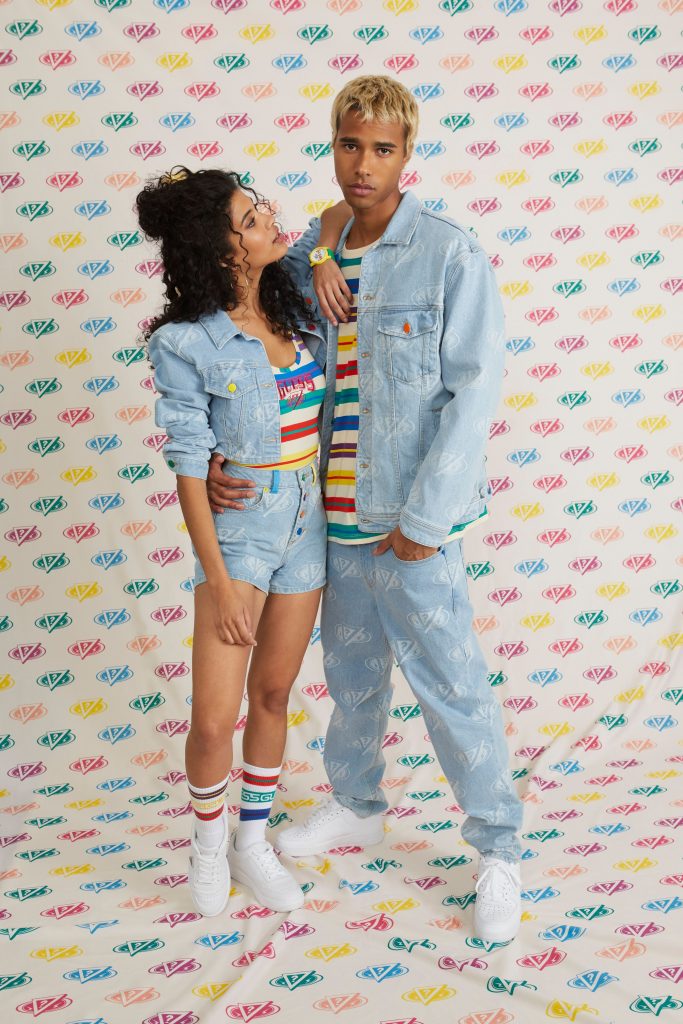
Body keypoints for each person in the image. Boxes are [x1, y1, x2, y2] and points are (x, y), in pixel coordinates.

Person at [206, 75, 525, 943]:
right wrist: (219, 458)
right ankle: (355, 803)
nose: (363, 163)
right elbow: (248, 351)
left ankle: (498, 850)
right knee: (350, 680)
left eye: (382, 148)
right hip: (327, 520)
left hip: (407, 523)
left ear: (406, 153)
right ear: (333, 145)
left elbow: (473, 393)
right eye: (350, 144)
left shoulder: (447, 254)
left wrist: (425, 522)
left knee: (451, 688)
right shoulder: (309, 253)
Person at [135, 167, 351, 916]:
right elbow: (189, 466)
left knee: (273, 694)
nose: (268, 219)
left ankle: (250, 843)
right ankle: (206, 845)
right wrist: (220, 580)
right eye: (249, 218)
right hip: (240, 532)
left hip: (308, 522)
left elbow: (335, 214)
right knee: (211, 716)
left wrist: (318, 256)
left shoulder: (295, 299)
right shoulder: (186, 343)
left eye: (260, 209)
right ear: (222, 249)